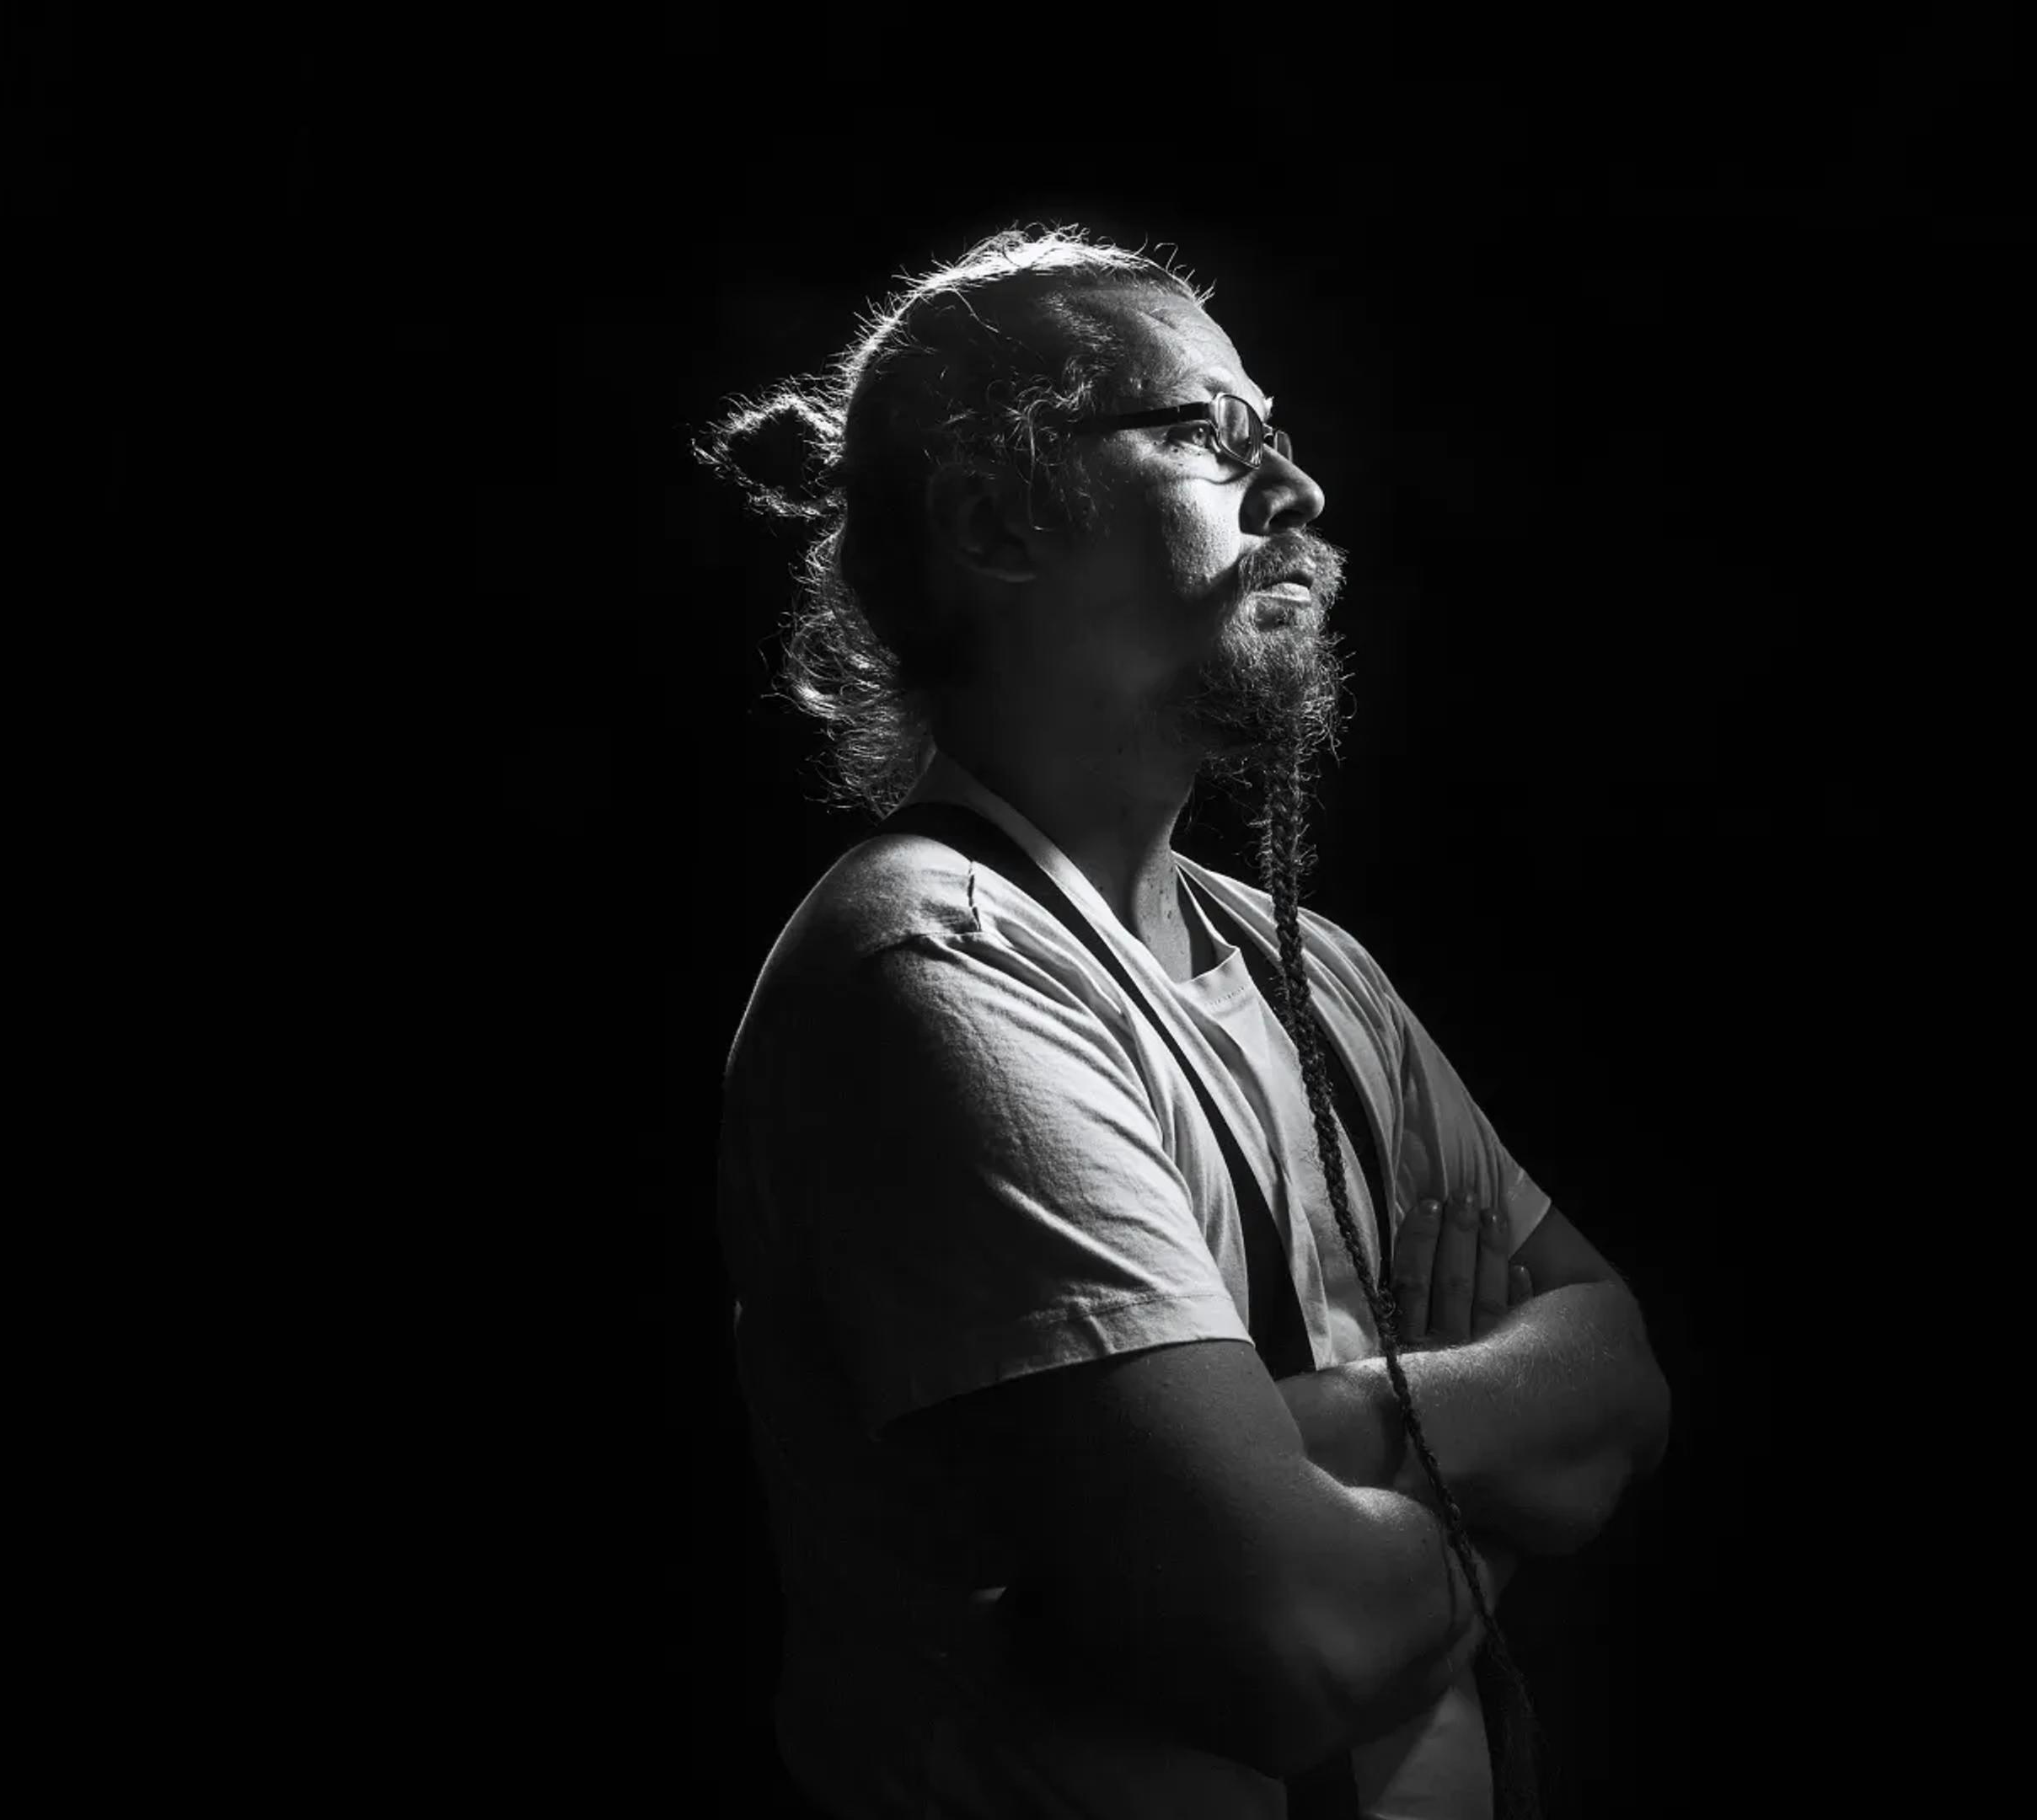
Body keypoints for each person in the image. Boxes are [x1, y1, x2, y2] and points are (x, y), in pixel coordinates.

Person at [702, 225, 1671, 1820]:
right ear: (997, 522)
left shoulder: (1316, 970)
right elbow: (1291, 1648)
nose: (1297, 491)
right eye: (1210, 434)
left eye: (1279, 431)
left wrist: (1353, 1420)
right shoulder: (935, 976)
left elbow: (1623, 1375)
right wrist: (1496, 1468)